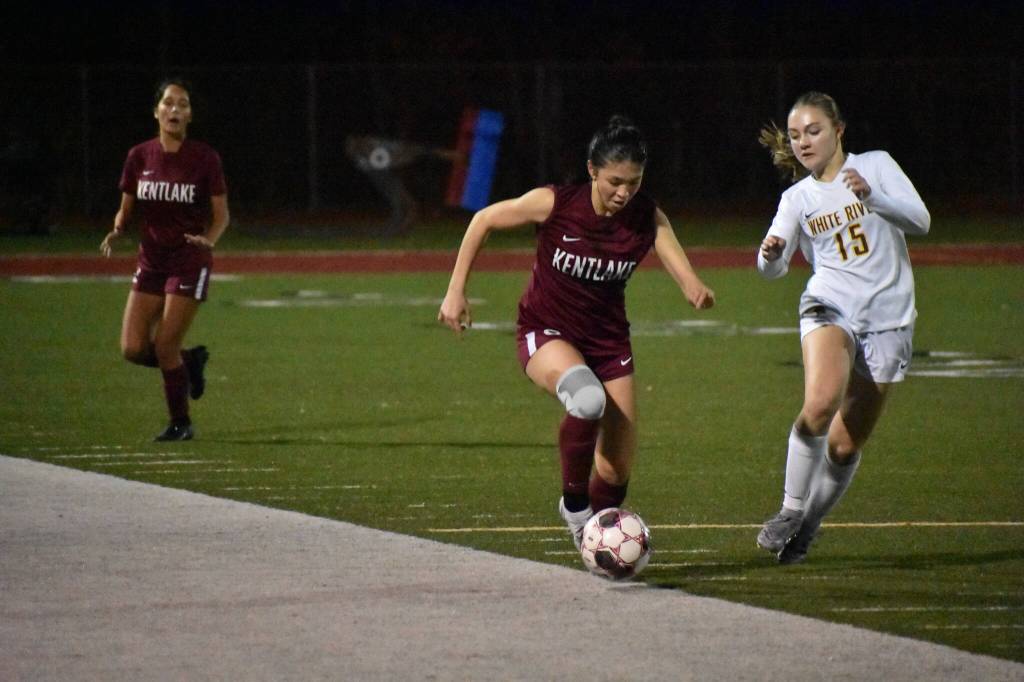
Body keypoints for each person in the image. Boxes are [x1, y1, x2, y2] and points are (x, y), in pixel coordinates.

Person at [438, 116, 715, 548]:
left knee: (616, 469)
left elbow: (677, 261)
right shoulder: (556, 203)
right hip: (545, 331)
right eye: (615, 181)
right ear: (592, 170)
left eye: (634, 182)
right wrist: (455, 292)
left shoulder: (646, 216)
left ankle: (600, 542)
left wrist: (694, 288)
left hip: (608, 342)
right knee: (587, 400)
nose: (624, 192)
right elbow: (484, 220)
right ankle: (574, 509)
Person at [754, 91, 930, 563]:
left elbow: (921, 220)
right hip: (829, 303)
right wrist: (770, 254)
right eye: (795, 135)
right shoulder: (797, 198)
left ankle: (808, 527)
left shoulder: (875, 165)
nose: (804, 142)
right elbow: (770, 268)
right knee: (820, 401)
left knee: (844, 443)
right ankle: (791, 509)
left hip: (889, 318)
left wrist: (872, 197)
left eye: (814, 131)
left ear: (838, 131)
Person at [100, 78, 230, 441]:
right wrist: (118, 229)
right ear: (156, 111)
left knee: (164, 346)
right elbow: (126, 208)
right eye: (168, 103)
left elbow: (222, 215)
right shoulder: (139, 155)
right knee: (132, 348)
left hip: (189, 259)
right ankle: (190, 363)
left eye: (183, 104)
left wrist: (210, 240)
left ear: (190, 115)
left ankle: (181, 422)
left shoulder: (205, 158)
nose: (175, 110)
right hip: (152, 260)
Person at [345, 135, 460, 236]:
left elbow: (404, 153)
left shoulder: (378, 148)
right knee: (407, 206)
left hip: (388, 176)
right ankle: (395, 231)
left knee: (407, 206)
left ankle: (397, 230)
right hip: (386, 180)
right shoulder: (364, 157)